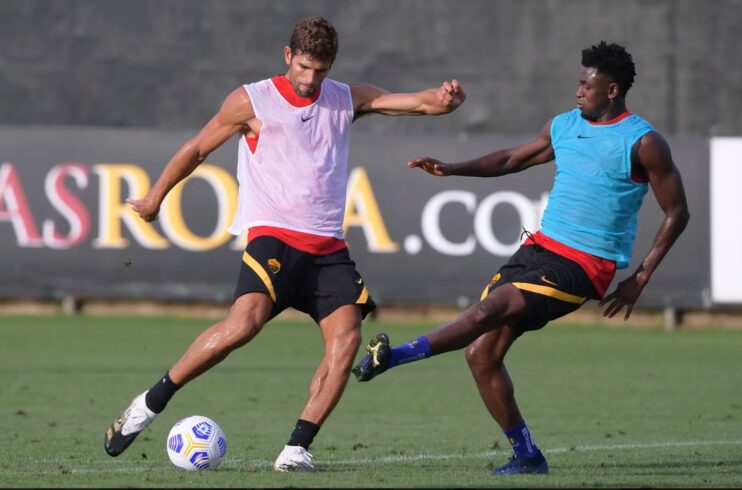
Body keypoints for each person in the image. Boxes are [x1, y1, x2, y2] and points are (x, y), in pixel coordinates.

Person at [103, 16, 466, 472]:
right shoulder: (251, 100)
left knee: (347, 338)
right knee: (244, 324)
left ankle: (296, 448)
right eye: (305, 67)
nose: (312, 80)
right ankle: (149, 404)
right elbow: (198, 149)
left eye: (322, 70)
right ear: (287, 55)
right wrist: (156, 197)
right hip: (273, 235)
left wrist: (445, 101)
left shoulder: (346, 98)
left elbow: (417, 103)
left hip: (328, 248)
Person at [352, 41, 689, 476]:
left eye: (587, 84)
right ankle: (528, 456)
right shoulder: (565, 126)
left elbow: (677, 213)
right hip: (538, 249)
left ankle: (394, 356)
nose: (578, 91)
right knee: (481, 356)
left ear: (612, 90)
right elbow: (511, 159)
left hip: (585, 266)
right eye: (577, 82)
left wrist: (640, 278)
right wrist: (452, 168)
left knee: (488, 309)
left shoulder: (643, 142)